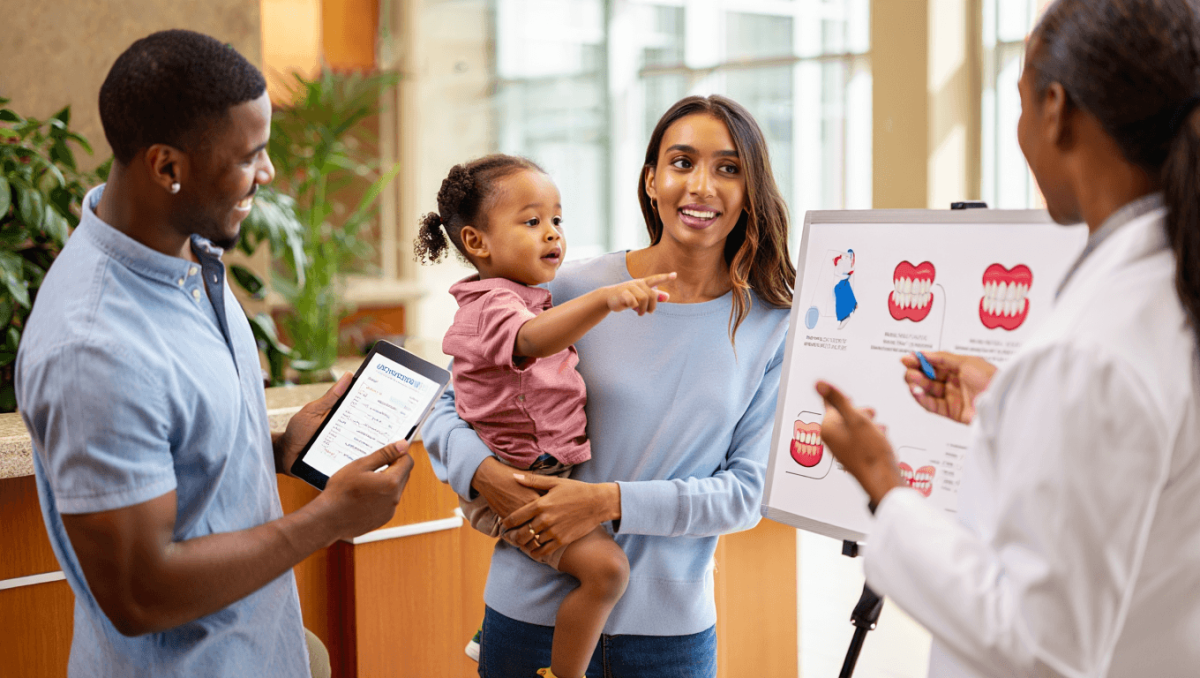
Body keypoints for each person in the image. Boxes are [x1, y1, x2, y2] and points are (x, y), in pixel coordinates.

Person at [816, 1, 1200, 675]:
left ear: (1055, 109)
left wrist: (883, 483)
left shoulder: (1091, 349)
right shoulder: (1166, 288)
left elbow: (1039, 647)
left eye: (1019, 102)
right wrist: (1008, 404)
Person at [14, 30, 414, 678]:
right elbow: (141, 595)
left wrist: (281, 447)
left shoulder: (190, 253)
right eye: (250, 154)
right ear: (168, 167)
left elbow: (190, 454)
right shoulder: (94, 348)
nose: (269, 173)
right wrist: (325, 521)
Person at [422, 94, 794, 677]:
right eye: (681, 162)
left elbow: (745, 495)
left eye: (728, 169)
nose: (701, 185)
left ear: (751, 191)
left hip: (668, 634)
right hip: (529, 615)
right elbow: (449, 399)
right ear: (651, 180)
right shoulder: (570, 290)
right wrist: (483, 475)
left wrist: (607, 501)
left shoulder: (772, 323)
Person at [413, 154, 675, 678]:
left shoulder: (527, 295)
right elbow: (530, 342)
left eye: (557, 220)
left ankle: (491, 632)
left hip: (546, 472)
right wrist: (605, 300)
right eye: (532, 222)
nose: (552, 234)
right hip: (529, 485)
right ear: (476, 243)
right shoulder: (493, 305)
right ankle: (565, 673)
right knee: (606, 571)